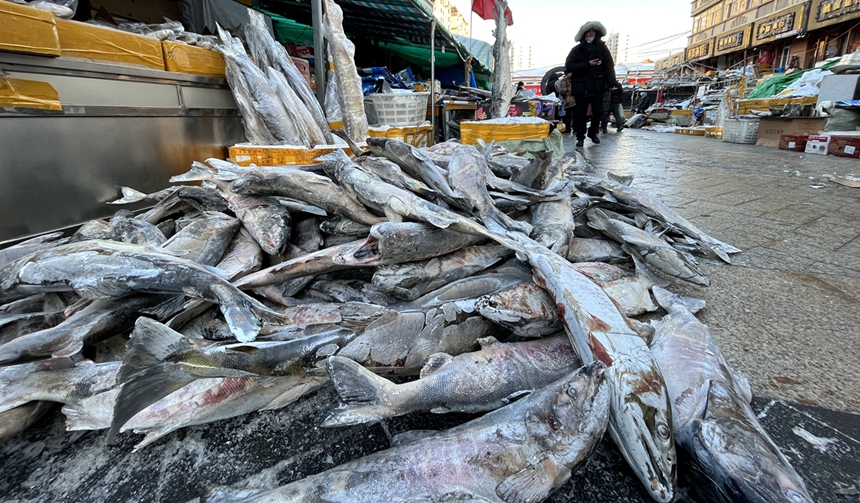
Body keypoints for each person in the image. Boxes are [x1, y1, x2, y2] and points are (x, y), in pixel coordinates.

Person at [565, 21, 617, 147]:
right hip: (581, 86)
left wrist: (611, 82)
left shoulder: (602, 49)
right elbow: (569, 66)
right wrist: (587, 64)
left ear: (597, 33)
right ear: (583, 34)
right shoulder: (576, 50)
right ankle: (580, 137)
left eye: (593, 32)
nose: (590, 35)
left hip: (597, 85)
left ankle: (593, 133)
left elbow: (609, 66)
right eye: (588, 32)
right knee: (580, 114)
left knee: (598, 112)